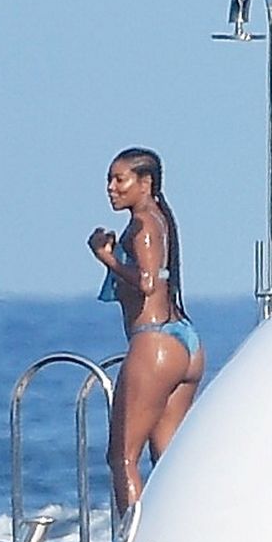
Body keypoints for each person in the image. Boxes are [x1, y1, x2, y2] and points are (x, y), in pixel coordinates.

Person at [89, 147, 206, 518]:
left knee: (122, 457)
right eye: (109, 180)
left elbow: (147, 282)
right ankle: (183, 531)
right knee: (168, 457)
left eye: (120, 179)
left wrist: (107, 258)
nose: (111, 188)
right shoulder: (160, 220)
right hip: (184, 342)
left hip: (155, 341)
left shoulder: (142, 226)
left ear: (145, 183)